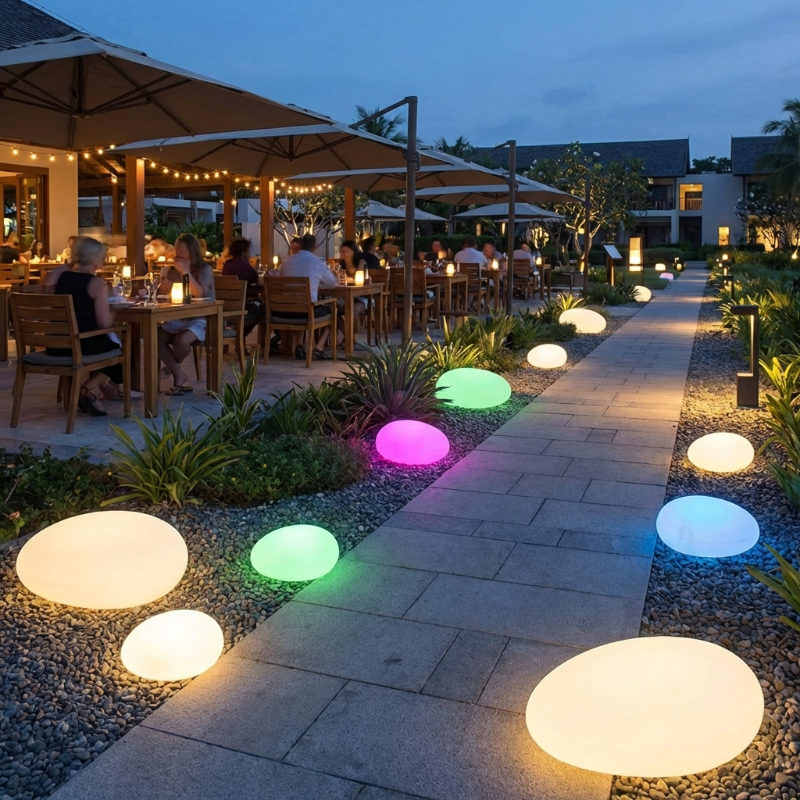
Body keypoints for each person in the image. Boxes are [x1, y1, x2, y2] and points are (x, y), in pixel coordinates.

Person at [46, 236, 122, 417]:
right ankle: (84, 389)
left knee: (107, 345)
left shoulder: (62, 278)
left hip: (56, 345)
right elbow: (104, 323)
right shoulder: (96, 283)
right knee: (124, 352)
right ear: (95, 259)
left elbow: (47, 286)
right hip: (81, 345)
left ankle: (87, 393)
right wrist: (116, 310)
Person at [158, 233, 216, 395]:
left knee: (182, 340)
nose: (178, 252)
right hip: (179, 315)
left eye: (182, 249)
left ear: (192, 250)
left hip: (202, 317)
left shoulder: (205, 269)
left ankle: (172, 368)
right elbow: (164, 291)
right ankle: (178, 373)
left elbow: (199, 293)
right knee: (154, 336)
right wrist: (164, 280)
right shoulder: (174, 269)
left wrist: (184, 272)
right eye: (177, 249)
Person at [276, 233, 337, 360]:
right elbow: (332, 283)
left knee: (301, 303)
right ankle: (319, 347)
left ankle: (299, 344)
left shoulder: (287, 261)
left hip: (284, 311)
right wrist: (316, 284)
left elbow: (279, 277)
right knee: (332, 310)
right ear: (314, 247)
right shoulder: (317, 262)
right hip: (306, 312)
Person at [222, 238, 262, 337]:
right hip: (242, 307)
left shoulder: (227, 264)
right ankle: (240, 337)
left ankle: (237, 336)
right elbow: (255, 278)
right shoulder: (244, 265)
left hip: (226, 307)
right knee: (264, 310)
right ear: (244, 252)